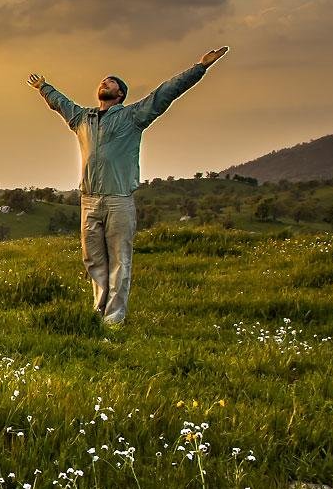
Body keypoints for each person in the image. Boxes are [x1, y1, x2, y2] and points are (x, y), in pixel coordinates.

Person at [26, 47, 229, 326]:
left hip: (118, 199)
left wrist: (200, 67)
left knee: (120, 258)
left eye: (111, 82)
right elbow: (61, 103)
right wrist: (43, 87)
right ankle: (98, 311)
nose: (104, 82)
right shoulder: (83, 118)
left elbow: (165, 92)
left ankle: (114, 318)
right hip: (89, 199)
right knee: (93, 259)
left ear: (120, 94)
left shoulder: (133, 116)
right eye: (103, 81)